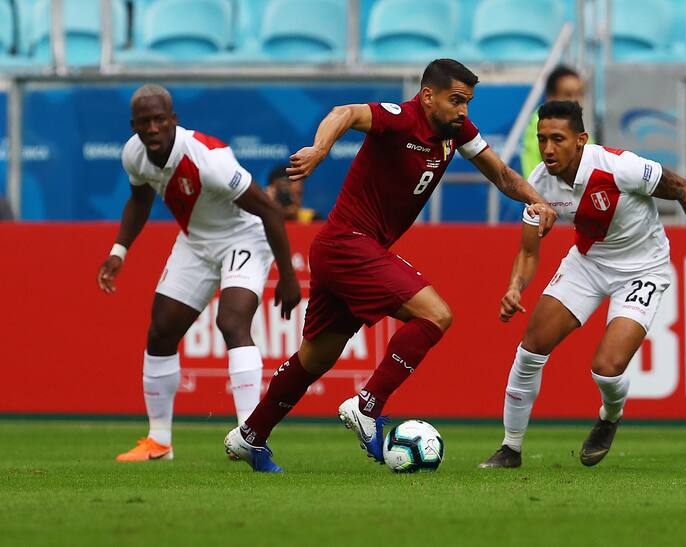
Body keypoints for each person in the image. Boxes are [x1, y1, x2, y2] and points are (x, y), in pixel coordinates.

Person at [224, 58, 558, 472]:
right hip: (349, 244)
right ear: (428, 95)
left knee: (316, 358)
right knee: (436, 314)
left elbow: (503, 176)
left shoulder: (458, 132)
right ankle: (368, 406)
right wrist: (321, 150)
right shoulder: (399, 119)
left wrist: (537, 201)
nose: (463, 111)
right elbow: (343, 113)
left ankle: (249, 435)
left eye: (468, 102)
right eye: (456, 100)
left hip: (344, 249)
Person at [479, 100, 686, 469]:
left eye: (557, 139)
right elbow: (529, 251)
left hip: (643, 268)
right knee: (530, 349)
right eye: (542, 139)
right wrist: (515, 287)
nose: (547, 149)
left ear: (581, 140)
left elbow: (685, 190)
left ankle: (610, 414)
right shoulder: (540, 182)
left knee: (605, 368)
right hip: (588, 264)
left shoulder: (620, 167)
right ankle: (510, 449)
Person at [98, 84, 300, 462]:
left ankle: (250, 437)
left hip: (244, 236)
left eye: (160, 120)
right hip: (196, 242)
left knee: (232, 321)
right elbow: (139, 201)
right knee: (161, 331)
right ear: (134, 126)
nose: (153, 128)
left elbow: (270, 211)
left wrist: (287, 276)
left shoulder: (210, 159)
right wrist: (118, 251)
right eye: (145, 122)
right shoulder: (133, 155)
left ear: (174, 120)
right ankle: (159, 442)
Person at [521, 65, 590, 178]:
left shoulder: (577, 124)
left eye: (580, 94)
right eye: (568, 94)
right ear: (550, 96)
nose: (576, 101)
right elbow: (532, 171)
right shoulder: (542, 125)